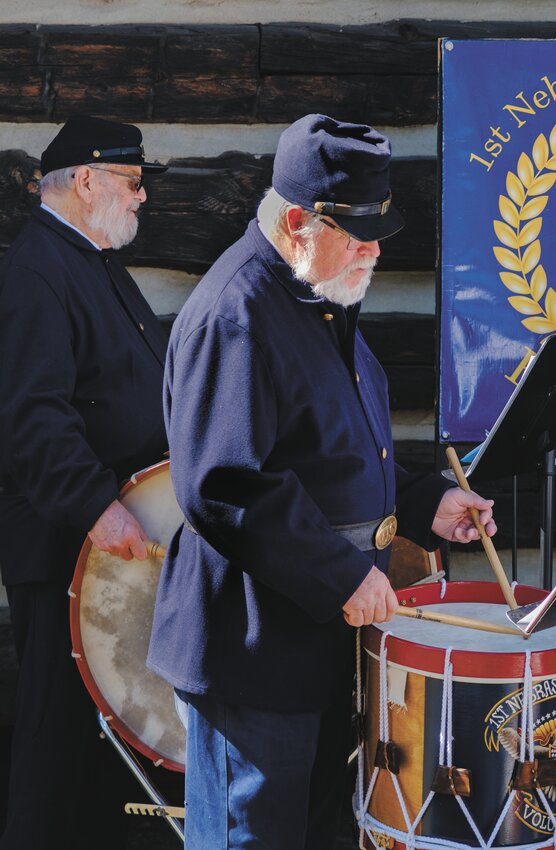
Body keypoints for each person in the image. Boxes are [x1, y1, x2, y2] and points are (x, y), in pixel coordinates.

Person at [147, 113, 496, 850]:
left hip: (316, 640)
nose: (374, 250)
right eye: (358, 233)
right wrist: (341, 575)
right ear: (298, 221)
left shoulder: (320, 287)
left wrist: (427, 500)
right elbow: (225, 484)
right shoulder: (235, 313)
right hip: (252, 648)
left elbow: (335, 452)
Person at [0, 115, 169, 849]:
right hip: (67, 546)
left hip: (105, 548)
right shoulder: (38, 269)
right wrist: (98, 508)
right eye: (131, 183)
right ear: (88, 181)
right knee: (56, 737)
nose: (141, 198)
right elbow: (32, 414)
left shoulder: (92, 260)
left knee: (99, 738)